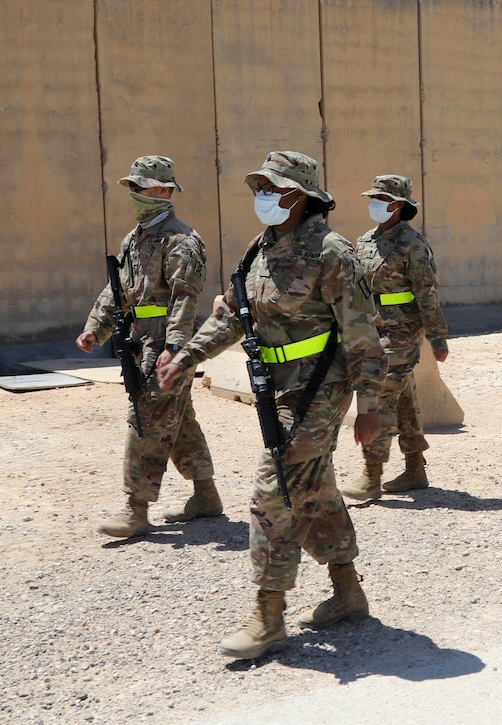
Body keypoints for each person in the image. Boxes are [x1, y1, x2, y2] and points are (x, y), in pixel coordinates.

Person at [156, 151, 385, 660]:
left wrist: (371, 408)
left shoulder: (332, 252)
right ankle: (348, 590)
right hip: (277, 386)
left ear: (298, 195)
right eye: (259, 186)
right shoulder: (259, 251)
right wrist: (187, 356)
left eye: (272, 188)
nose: (262, 196)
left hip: (320, 386)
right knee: (312, 485)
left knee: (275, 490)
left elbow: (364, 338)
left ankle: (269, 613)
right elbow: (234, 315)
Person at [77, 155, 219, 539]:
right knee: (179, 419)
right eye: (133, 188)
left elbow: (184, 299)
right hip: (142, 342)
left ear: (163, 191)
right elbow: (118, 290)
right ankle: (206, 495)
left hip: (167, 344)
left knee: (146, 419)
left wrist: (174, 346)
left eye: (139, 188)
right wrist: (96, 328)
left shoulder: (181, 240)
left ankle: (135, 507)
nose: (134, 195)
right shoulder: (134, 238)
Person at [338, 174, 449, 500]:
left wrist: (437, 337)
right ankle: (415, 469)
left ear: (398, 205)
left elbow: (427, 294)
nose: (373, 205)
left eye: (381, 199)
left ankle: (372, 476)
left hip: (401, 332)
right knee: (402, 396)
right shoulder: (364, 241)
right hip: (372, 330)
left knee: (380, 395)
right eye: (372, 198)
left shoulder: (413, 245)